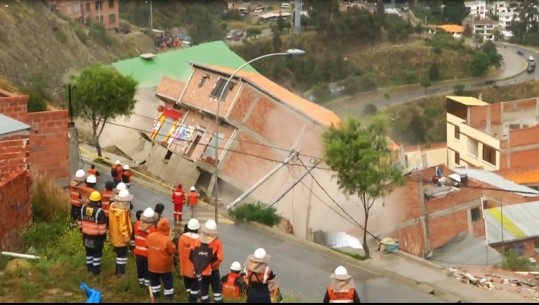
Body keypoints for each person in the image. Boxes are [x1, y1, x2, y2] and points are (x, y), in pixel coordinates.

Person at [147, 217, 176, 300]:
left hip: (152, 264)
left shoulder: (150, 236)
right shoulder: (167, 240)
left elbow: (147, 246)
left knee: (154, 279)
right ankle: (169, 295)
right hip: (164, 265)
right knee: (167, 279)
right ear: (168, 228)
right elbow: (172, 250)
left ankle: (155, 293)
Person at [80, 191, 107, 276]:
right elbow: (102, 228)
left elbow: (79, 222)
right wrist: (103, 237)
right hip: (96, 237)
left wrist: (81, 230)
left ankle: (89, 269)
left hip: (85, 235)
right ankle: (95, 272)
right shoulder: (99, 212)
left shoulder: (83, 208)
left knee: (88, 252)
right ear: (99, 200)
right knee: (96, 254)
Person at [109, 189, 134, 276]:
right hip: (121, 238)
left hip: (114, 236)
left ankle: (117, 271)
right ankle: (121, 273)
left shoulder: (113, 207)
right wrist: (126, 236)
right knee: (122, 256)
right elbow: (122, 225)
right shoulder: (121, 212)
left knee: (119, 255)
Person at [133, 208, 158, 287]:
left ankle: (140, 283)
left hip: (138, 251)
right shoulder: (153, 229)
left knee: (139, 268)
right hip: (148, 254)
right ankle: (147, 285)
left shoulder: (136, 225)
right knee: (147, 270)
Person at [178, 218, 201, 303]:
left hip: (184, 266)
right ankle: (193, 299)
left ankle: (190, 296)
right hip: (195, 268)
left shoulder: (182, 238)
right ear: (197, 228)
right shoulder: (199, 239)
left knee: (188, 285)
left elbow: (179, 250)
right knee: (195, 287)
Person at [202, 219, 224, 303]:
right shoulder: (217, 242)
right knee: (217, 291)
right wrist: (213, 266)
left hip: (202, 270)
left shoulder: (198, 241)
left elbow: (194, 255)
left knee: (204, 290)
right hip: (213, 271)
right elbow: (220, 258)